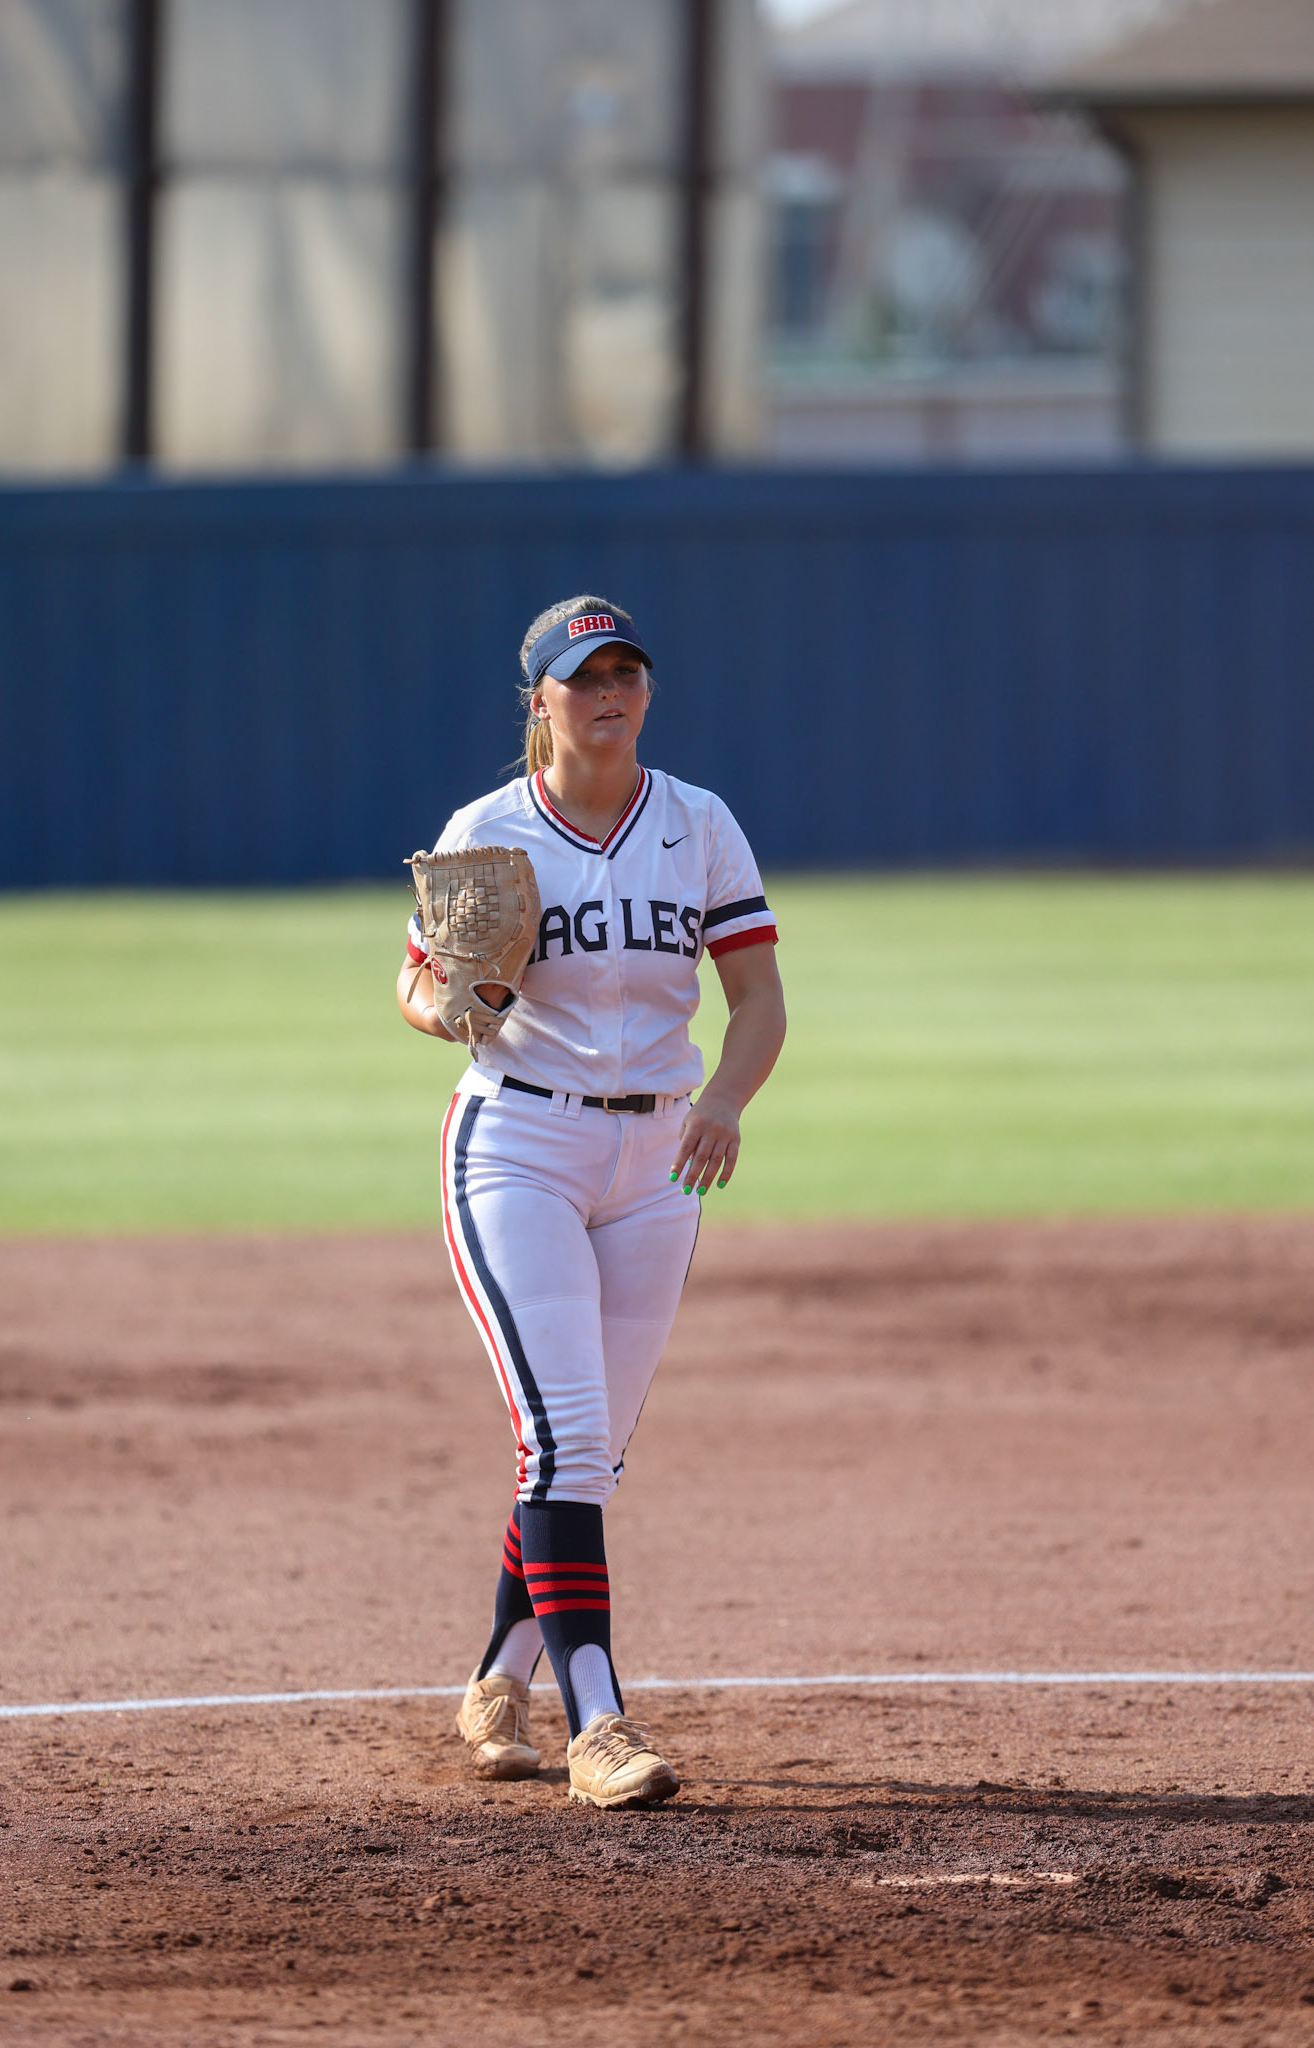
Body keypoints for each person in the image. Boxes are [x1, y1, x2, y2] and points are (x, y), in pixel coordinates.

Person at [397, 594, 786, 1809]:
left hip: (662, 1160)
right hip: (520, 1145)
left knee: (589, 1447)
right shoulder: (492, 828)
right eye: (584, 675)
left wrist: (725, 1095)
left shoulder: (698, 822)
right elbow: (418, 988)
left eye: (627, 670)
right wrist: (457, 1003)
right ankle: (600, 1721)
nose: (609, 690)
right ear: (541, 700)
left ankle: (497, 1676)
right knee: (566, 1433)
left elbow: (760, 999)